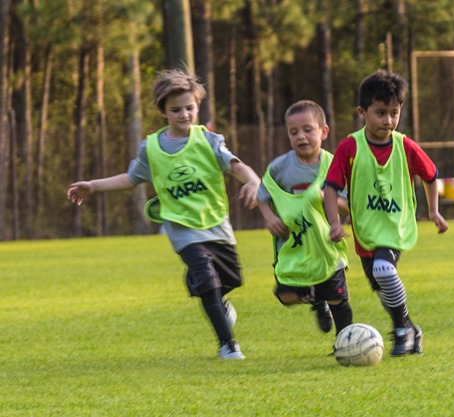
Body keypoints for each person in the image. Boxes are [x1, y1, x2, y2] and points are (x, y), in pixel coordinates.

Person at [67, 69, 260, 360]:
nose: (184, 115)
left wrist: (254, 181)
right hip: (181, 227)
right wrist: (93, 186)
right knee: (208, 280)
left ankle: (208, 292)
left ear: (197, 107)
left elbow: (235, 165)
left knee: (231, 280)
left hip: (215, 221)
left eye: (190, 108)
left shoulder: (208, 140)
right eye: (176, 110)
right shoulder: (152, 148)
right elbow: (132, 178)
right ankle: (228, 344)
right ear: (163, 112)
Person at [323, 70, 448, 357]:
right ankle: (410, 327)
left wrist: (434, 211)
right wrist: (334, 223)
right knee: (381, 289)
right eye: (380, 113)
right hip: (365, 232)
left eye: (394, 113)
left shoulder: (405, 146)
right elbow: (330, 188)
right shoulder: (350, 147)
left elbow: (430, 175)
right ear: (362, 112)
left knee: (383, 269)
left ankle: (401, 331)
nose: (388, 120)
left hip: (395, 227)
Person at [257, 100, 353, 342]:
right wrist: (269, 218)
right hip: (293, 244)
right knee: (286, 296)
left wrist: (326, 202)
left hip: (325, 245)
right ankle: (316, 300)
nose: (301, 136)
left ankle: (346, 342)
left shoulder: (334, 165)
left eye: (307, 130)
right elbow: (262, 195)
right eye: (293, 132)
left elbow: (348, 203)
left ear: (324, 131)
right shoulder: (279, 168)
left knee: (338, 298)